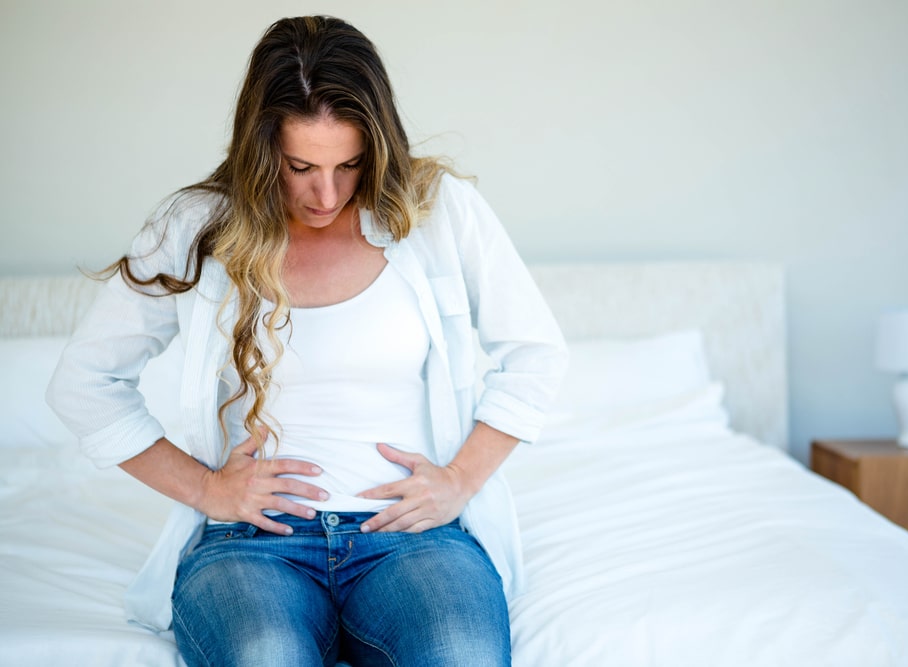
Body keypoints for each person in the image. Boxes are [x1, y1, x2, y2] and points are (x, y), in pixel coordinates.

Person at [46, 15, 567, 667]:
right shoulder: (195, 224)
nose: (327, 193)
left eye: (350, 164)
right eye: (300, 167)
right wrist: (209, 491)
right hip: (249, 544)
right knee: (266, 653)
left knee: (458, 652)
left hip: (414, 541)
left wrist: (459, 480)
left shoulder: (439, 210)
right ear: (262, 149)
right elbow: (83, 382)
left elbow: (537, 354)